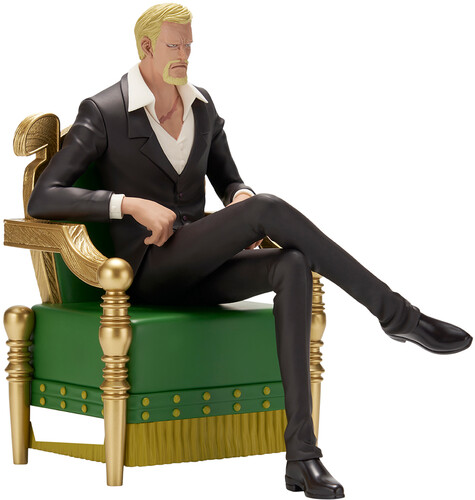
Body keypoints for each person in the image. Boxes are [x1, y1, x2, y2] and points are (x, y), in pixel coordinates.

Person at [27, 3, 472, 499]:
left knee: (292, 263)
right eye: (174, 45)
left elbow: (230, 181)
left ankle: (302, 457)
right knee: (268, 208)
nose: (185, 54)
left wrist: (239, 198)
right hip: (150, 268)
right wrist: (128, 204)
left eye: (189, 44)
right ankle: (398, 315)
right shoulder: (104, 111)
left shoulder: (201, 106)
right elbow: (44, 197)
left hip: (200, 265)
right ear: (146, 47)